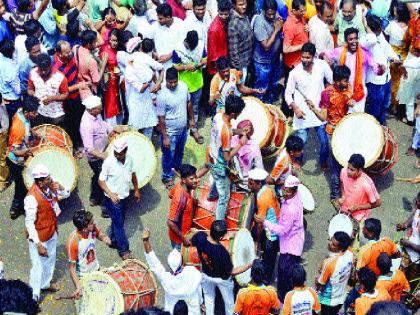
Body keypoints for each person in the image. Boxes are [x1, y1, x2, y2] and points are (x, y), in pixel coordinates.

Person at [255, 175, 305, 302]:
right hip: (294, 239)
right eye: (284, 189)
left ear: (294, 191)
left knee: (284, 273)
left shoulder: (290, 209)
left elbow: (282, 230)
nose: (285, 192)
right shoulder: (296, 197)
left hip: (290, 246)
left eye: (288, 191)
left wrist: (264, 221)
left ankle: (283, 299)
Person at [24, 163, 69, 301]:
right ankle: (34, 297)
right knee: (37, 267)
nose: (51, 179)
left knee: (50, 260)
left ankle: (45, 284)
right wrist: (38, 244)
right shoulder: (31, 198)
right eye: (48, 179)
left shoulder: (49, 183)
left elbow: (66, 194)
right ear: (40, 182)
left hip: (51, 231)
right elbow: (29, 223)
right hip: (39, 237)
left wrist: (60, 187)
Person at [285, 42, 333, 170]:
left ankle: (323, 161)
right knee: (301, 141)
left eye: (308, 57)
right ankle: (297, 160)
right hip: (303, 113)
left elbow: (331, 81)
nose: (305, 60)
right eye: (303, 57)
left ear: (313, 56)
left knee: (324, 141)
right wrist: (295, 109)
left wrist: (327, 96)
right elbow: (288, 94)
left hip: (319, 111)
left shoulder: (322, 65)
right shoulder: (295, 72)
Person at [190, 220, 252, 315]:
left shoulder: (200, 237)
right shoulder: (222, 252)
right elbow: (232, 271)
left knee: (209, 299)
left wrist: (196, 232)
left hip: (206, 276)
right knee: (229, 303)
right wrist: (249, 264)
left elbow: (193, 240)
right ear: (221, 237)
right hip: (222, 280)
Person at [321, 28, 386, 113]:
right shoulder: (340, 51)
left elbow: (376, 69)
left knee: (356, 119)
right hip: (342, 91)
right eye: (351, 39)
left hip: (358, 93)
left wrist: (381, 69)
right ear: (346, 40)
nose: (354, 41)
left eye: (356, 38)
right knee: (342, 118)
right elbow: (325, 54)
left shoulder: (365, 53)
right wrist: (324, 56)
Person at [98, 138, 141, 260]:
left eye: (120, 153)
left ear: (125, 151)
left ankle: (112, 240)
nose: (117, 155)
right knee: (119, 224)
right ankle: (124, 250)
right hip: (113, 200)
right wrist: (111, 194)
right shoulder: (108, 162)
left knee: (119, 220)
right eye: (115, 153)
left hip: (124, 196)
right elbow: (101, 181)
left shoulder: (130, 160)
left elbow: (133, 175)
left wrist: (137, 190)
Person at [143, 228, 202, 315]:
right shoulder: (192, 272)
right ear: (182, 262)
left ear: (169, 266)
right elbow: (199, 289)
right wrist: (201, 302)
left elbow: (154, 264)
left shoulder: (166, 279)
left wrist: (145, 241)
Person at [207, 94, 247, 220]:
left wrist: (239, 132)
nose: (240, 114)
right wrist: (241, 144)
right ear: (234, 113)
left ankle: (211, 195)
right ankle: (218, 224)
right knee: (224, 197)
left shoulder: (218, 115)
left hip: (211, 154)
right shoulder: (225, 132)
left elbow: (229, 131)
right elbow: (227, 157)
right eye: (239, 112)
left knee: (216, 179)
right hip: (219, 164)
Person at [316, 65, 353, 201]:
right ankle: (335, 195)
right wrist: (315, 110)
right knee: (336, 163)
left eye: (347, 80)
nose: (347, 83)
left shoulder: (347, 87)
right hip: (332, 131)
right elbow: (323, 117)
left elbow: (349, 98)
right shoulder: (327, 94)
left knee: (346, 159)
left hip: (344, 129)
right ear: (336, 81)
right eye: (344, 80)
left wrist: (350, 101)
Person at [80, 95, 116, 217]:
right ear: (91, 110)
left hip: (103, 151)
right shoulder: (86, 125)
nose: (101, 110)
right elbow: (89, 148)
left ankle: (94, 197)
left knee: (98, 176)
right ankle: (105, 208)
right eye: (99, 109)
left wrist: (111, 129)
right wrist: (104, 157)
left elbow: (103, 124)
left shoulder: (96, 114)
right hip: (96, 157)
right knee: (105, 179)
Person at [65, 210, 112, 299]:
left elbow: (99, 234)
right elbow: (72, 268)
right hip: (84, 276)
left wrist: (104, 238)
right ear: (84, 229)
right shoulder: (73, 242)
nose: (94, 223)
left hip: (96, 268)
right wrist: (78, 286)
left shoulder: (93, 229)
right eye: (91, 223)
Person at [53, 40, 88, 156]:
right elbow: (63, 90)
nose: (70, 54)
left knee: (80, 121)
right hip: (68, 101)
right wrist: (78, 86)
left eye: (69, 51)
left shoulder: (71, 57)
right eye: (66, 53)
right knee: (72, 125)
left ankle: (81, 142)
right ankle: (76, 146)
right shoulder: (56, 69)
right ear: (58, 53)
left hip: (78, 96)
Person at [7, 95, 39, 219]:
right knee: (21, 185)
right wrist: (28, 151)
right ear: (26, 112)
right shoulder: (18, 128)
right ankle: (16, 208)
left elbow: (27, 124)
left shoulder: (21, 113)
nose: (36, 114)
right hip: (16, 161)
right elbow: (15, 151)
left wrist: (33, 132)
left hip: (21, 153)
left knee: (23, 185)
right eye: (34, 112)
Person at [365, 14, 400, 125]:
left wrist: (394, 57)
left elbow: (387, 48)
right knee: (375, 107)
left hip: (386, 79)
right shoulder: (366, 39)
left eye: (380, 27)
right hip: (375, 82)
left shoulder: (380, 35)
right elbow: (370, 41)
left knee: (385, 104)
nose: (380, 30)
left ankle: (381, 123)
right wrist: (369, 31)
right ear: (370, 28)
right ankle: (373, 126)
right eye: (377, 28)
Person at [125, 37, 163, 139]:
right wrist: (156, 82)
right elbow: (161, 68)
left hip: (136, 97)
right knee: (148, 124)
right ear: (140, 47)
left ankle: (136, 147)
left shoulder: (129, 60)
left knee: (134, 127)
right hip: (145, 95)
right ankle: (148, 145)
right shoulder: (143, 58)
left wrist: (151, 83)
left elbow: (131, 78)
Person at [172, 30, 205, 144]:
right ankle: (181, 130)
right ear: (187, 41)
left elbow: (205, 59)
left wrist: (198, 65)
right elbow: (175, 66)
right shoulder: (178, 49)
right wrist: (186, 67)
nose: (193, 48)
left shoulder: (200, 45)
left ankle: (193, 129)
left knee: (195, 107)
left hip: (197, 83)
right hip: (183, 85)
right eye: (191, 46)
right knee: (182, 108)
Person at [248, 168, 280, 283]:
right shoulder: (267, 189)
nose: (249, 185)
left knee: (269, 258)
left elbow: (260, 225)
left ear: (259, 184)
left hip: (271, 234)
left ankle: (265, 280)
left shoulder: (262, 198)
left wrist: (256, 240)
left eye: (251, 183)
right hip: (274, 225)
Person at [252, 0, 283, 104]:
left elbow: (280, 20)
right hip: (263, 63)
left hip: (274, 60)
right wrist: (276, 30)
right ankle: (259, 107)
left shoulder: (274, 14)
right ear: (263, 11)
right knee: (262, 89)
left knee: (272, 85)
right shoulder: (259, 23)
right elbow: (266, 46)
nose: (271, 16)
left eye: (273, 14)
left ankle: (269, 105)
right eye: (269, 14)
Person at [316, 231, 353, 315]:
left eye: (333, 244)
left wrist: (317, 281)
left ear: (340, 248)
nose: (329, 244)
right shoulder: (350, 253)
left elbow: (321, 285)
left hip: (328, 301)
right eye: (331, 241)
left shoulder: (329, 263)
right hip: (341, 297)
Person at [28, 53, 69, 127]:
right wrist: (34, 96)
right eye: (41, 70)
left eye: (46, 70)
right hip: (39, 112)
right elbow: (30, 89)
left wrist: (53, 98)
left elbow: (65, 94)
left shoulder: (60, 77)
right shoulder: (32, 73)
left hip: (56, 115)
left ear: (50, 66)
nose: (43, 72)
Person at [337, 154, 381, 222]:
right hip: (345, 209)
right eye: (348, 167)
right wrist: (343, 195)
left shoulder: (367, 184)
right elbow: (342, 183)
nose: (348, 171)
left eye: (352, 170)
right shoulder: (343, 171)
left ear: (360, 170)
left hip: (359, 216)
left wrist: (357, 207)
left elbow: (378, 203)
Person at [384, 3, 411, 116]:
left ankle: (391, 104)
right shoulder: (409, 28)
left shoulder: (392, 25)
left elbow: (385, 37)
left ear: (399, 14)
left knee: (391, 80)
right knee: (400, 82)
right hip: (404, 57)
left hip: (392, 56)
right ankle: (397, 105)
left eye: (395, 11)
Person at [166, 164, 199, 249]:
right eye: (192, 179)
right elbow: (170, 223)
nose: (195, 180)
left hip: (186, 230)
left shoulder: (181, 185)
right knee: (179, 258)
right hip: (179, 239)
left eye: (195, 177)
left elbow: (170, 195)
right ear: (184, 180)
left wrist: (192, 200)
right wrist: (184, 238)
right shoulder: (180, 199)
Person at [74, 30, 108, 100]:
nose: (96, 44)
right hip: (89, 90)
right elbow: (97, 81)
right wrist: (103, 64)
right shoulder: (92, 62)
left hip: (78, 84)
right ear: (89, 44)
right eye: (94, 42)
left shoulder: (75, 48)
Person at [396, 192, 420, 290]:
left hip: (416, 261)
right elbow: (414, 215)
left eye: (419, 202)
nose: (417, 203)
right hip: (408, 252)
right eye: (417, 200)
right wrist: (405, 225)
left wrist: (408, 244)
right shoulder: (418, 209)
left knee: (407, 285)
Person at [231, 120, 263, 190]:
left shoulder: (231, 140)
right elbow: (259, 168)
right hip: (244, 184)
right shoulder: (254, 146)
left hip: (229, 181)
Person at [99, 28, 122, 125]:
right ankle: (110, 127)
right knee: (110, 103)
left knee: (117, 103)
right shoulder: (105, 51)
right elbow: (102, 68)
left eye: (116, 41)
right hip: (109, 82)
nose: (114, 43)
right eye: (112, 40)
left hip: (117, 80)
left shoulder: (118, 50)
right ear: (109, 40)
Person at [152, 4, 185, 69]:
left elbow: (183, 46)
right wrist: (153, 52)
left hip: (176, 65)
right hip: (160, 65)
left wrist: (169, 56)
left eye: (160, 18)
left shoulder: (180, 25)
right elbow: (147, 39)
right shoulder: (155, 25)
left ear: (168, 17)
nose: (158, 20)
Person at [228, 0, 253, 80]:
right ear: (234, 5)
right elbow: (233, 51)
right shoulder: (233, 24)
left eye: (245, 3)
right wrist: (239, 69)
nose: (244, 6)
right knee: (239, 89)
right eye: (241, 4)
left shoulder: (243, 14)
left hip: (247, 60)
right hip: (241, 66)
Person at [282, 0, 309, 74]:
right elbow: (285, 49)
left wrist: (307, 28)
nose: (304, 13)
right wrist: (302, 46)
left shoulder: (301, 17)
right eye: (301, 11)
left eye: (305, 10)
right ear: (294, 11)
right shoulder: (289, 26)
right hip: (293, 65)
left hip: (301, 61)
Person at [206, 0, 230, 76]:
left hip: (224, 60)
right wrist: (219, 69)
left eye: (226, 14)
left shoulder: (226, 21)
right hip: (218, 67)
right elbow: (213, 55)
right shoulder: (214, 29)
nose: (223, 17)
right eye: (221, 14)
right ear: (217, 11)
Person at [0, 39, 21, 122]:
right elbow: (18, 90)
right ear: (12, 52)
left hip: (3, 96)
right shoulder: (11, 71)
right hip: (12, 101)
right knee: (14, 121)